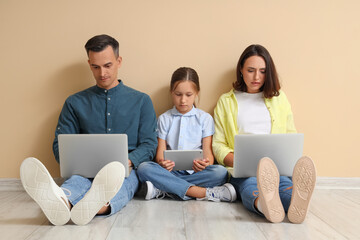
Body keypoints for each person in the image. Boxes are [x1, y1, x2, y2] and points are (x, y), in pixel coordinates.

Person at [20, 34, 157, 226]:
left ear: (119, 61)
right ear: (89, 64)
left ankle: (91, 206)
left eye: (108, 65)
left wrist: (128, 161)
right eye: (95, 67)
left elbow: (150, 144)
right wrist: (76, 162)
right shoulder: (74, 102)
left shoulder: (142, 101)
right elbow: (60, 144)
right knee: (77, 181)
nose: (102, 73)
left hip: (124, 169)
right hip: (84, 169)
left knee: (124, 183)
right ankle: (63, 202)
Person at [212, 44, 316, 223]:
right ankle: (265, 205)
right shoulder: (226, 101)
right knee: (249, 187)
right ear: (241, 70)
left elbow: (290, 134)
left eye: (262, 71)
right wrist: (238, 160)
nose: (256, 77)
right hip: (244, 170)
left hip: (277, 168)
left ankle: (294, 200)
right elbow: (218, 145)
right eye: (251, 70)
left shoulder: (279, 98)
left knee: (283, 183)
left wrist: (288, 159)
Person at [136, 67, 236, 202]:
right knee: (143, 168)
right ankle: (201, 193)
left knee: (221, 172)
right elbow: (160, 153)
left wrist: (204, 164)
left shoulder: (205, 119)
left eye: (188, 95)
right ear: (171, 92)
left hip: (196, 173)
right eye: (178, 94)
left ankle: (165, 189)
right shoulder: (164, 119)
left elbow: (209, 155)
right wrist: (163, 163)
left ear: (196, 93)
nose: (183, 100)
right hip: (170, 172)